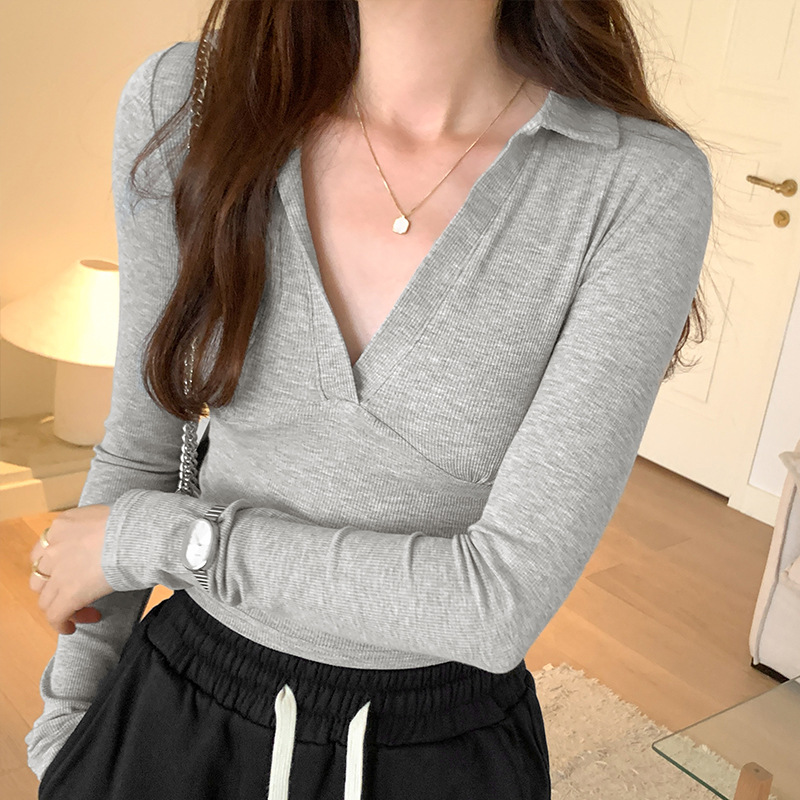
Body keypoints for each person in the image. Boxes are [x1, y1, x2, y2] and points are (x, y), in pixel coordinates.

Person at [26, 0, 714, 798]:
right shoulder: (190, 101)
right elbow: (143, 446)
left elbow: (496, 603)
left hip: (442, 750)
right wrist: (67, 732)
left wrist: (174, 541)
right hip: (177, 714)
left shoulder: (636, 182)